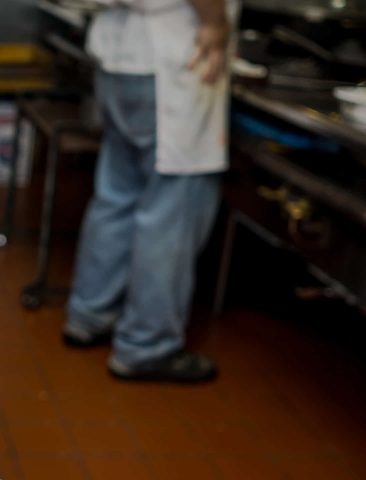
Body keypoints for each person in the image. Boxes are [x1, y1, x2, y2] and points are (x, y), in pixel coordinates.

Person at [62, 0, 236, 382]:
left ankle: (90, 315)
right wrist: (215, 22)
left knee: (117, 195)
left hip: (119, 60)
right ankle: (146, 344)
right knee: (172, 210)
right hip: (171, 58)